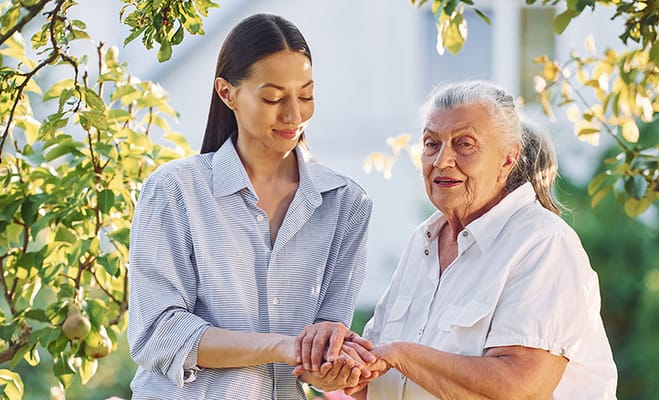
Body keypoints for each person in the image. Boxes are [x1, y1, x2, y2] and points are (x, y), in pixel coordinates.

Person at [127, 13, 373, 399]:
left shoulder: (346, 204)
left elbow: (321, 344)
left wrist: (331, 367)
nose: (294, 115)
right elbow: (159, 334)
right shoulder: (174, 191)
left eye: (306, 95)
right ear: (227, 93)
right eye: (273, 97)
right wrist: (278, 345)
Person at [343, 80, 617, 399]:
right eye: (432, 143)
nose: (442, 160)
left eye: (464, 144)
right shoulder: (423, 241)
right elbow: (374, 379)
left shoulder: (543, 243)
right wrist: (343, 365)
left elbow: (520, 388)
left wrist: (401, 356)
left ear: (506, 160)